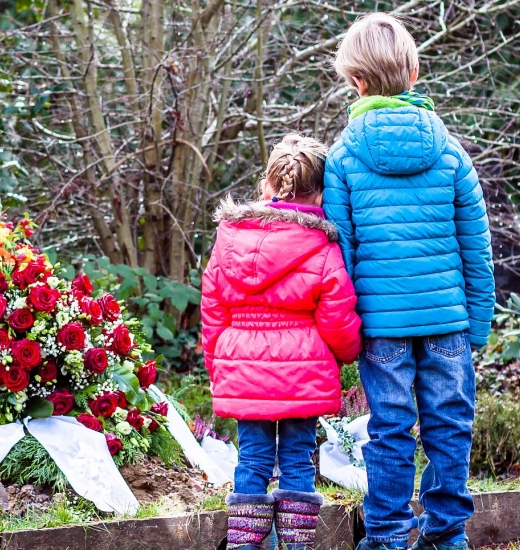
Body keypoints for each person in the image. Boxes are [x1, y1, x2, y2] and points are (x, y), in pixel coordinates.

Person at [321, 13, 496, 550]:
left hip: (382, 327)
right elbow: (477, 247)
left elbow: (340, 255)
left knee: (389, 429)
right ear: (415, 74)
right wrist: (480, 325)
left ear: (357, 81)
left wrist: (347, 329)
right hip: (448, 322)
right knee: (449, 426)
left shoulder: (344, 156)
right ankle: (446, 536)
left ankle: (387, 536)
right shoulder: (450, 153)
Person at [202, 134, 362, 550]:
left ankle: (244, 545)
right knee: (296, 461)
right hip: (303, 374)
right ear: (322, 193)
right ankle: (296, 546)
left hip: (244, 368)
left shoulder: (230, 238)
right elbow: (338, 315)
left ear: (267, 186)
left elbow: (213, 307)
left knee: (251, 460)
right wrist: (347, 353)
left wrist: (220, 365)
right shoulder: (322, 246)